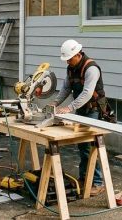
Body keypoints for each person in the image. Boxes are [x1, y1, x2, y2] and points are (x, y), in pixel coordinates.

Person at [50, 39, 107, 196]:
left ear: (78, 54)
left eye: (69, 58)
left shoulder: (91, 69)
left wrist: (69, 108)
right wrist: (55, 103)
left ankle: (97, 183)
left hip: (93, 110)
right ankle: (84, 178)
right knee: (82, 147)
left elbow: (87, 93)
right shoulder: (71, 68)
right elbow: (66, 88)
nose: (67, 61)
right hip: (81, 109)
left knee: (91, 146)